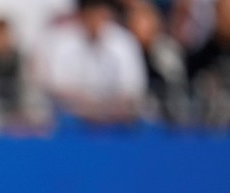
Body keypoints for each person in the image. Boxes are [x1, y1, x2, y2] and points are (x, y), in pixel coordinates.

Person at [33, 0, 148, 129]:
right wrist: (87, 106)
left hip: (116, 119)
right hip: (70, 118)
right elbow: (55, 85)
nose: (96, 21)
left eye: (101, 15)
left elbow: (132, 88)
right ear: (83, 15)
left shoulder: (123, 42)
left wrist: (104, 108)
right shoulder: (62, 41)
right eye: (92, 15)